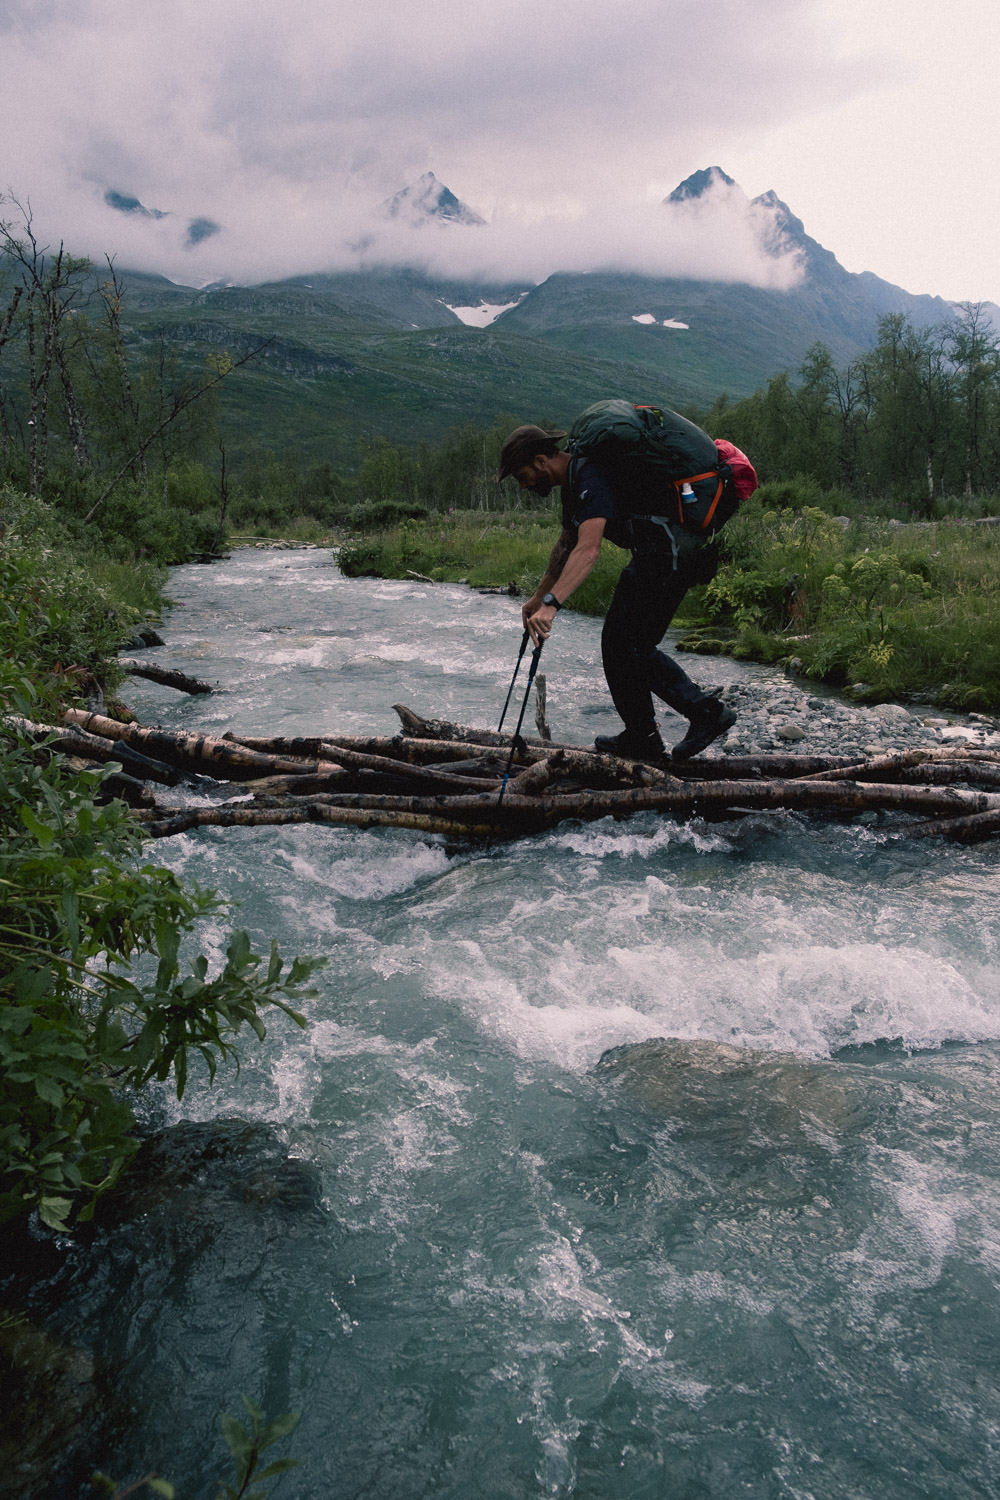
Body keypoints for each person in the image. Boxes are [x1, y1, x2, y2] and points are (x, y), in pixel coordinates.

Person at [496, 422, 736, 762]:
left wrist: (551, 606)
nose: (523, 485)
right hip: (655, 554)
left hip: (671, 555)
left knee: (633, 646)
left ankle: (707, 713)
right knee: (619, 644)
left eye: (522, 476)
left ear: (540, 461)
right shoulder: (575, 480)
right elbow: (567, 543)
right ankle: (644, 737)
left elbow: (588, 550)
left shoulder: (590, 473)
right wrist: (539, 597)